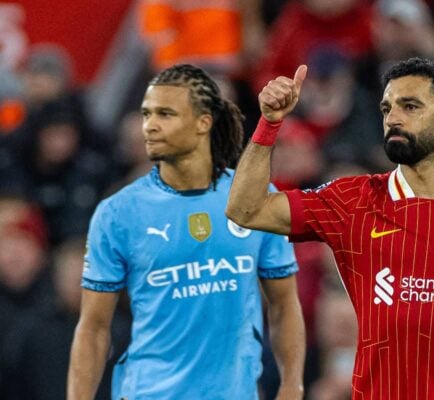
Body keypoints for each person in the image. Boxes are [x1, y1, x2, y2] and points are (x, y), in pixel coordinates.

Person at [226, 57, 434, 399]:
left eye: (409, 106)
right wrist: (269, 124)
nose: (393, 118)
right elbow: (245, 209)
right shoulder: (352, 201)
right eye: (386, 108)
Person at [67, 64, 306, 399]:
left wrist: (291, 386)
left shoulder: (254, 199)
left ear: (203, 122)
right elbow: (93, 328)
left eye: (165, 114)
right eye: (146, 114)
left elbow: (283, 303)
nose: (149, 126)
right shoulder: (118, 212)